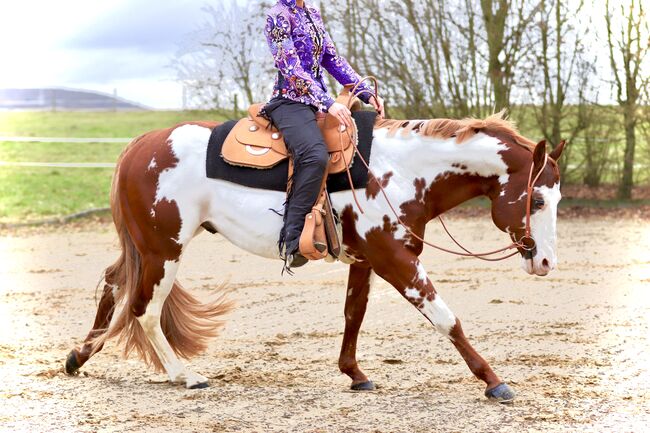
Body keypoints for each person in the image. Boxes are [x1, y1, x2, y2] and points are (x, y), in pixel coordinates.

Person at [259, 0, 385, 270]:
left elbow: (332, 59)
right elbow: (291, 69)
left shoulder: (312, 13)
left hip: (318, 101)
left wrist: (365, 92)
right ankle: (292, 239)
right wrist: (328, 103)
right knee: (315, 156)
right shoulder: (277, 17)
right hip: (290, 102)